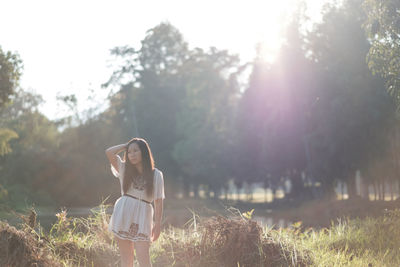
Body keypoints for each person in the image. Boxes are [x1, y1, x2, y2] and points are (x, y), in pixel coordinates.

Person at [105, 137, 165, 267]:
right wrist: (127, 145)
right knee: (126, 259)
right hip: (124, 212)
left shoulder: (156, 175)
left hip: (144, 215)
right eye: (129, 152)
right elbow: (109, 152)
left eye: (135, 151)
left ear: (143, 152)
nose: (132, 155)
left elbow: (158, 201)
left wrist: (158, 223)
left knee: (144, 259)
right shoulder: (124, 168)